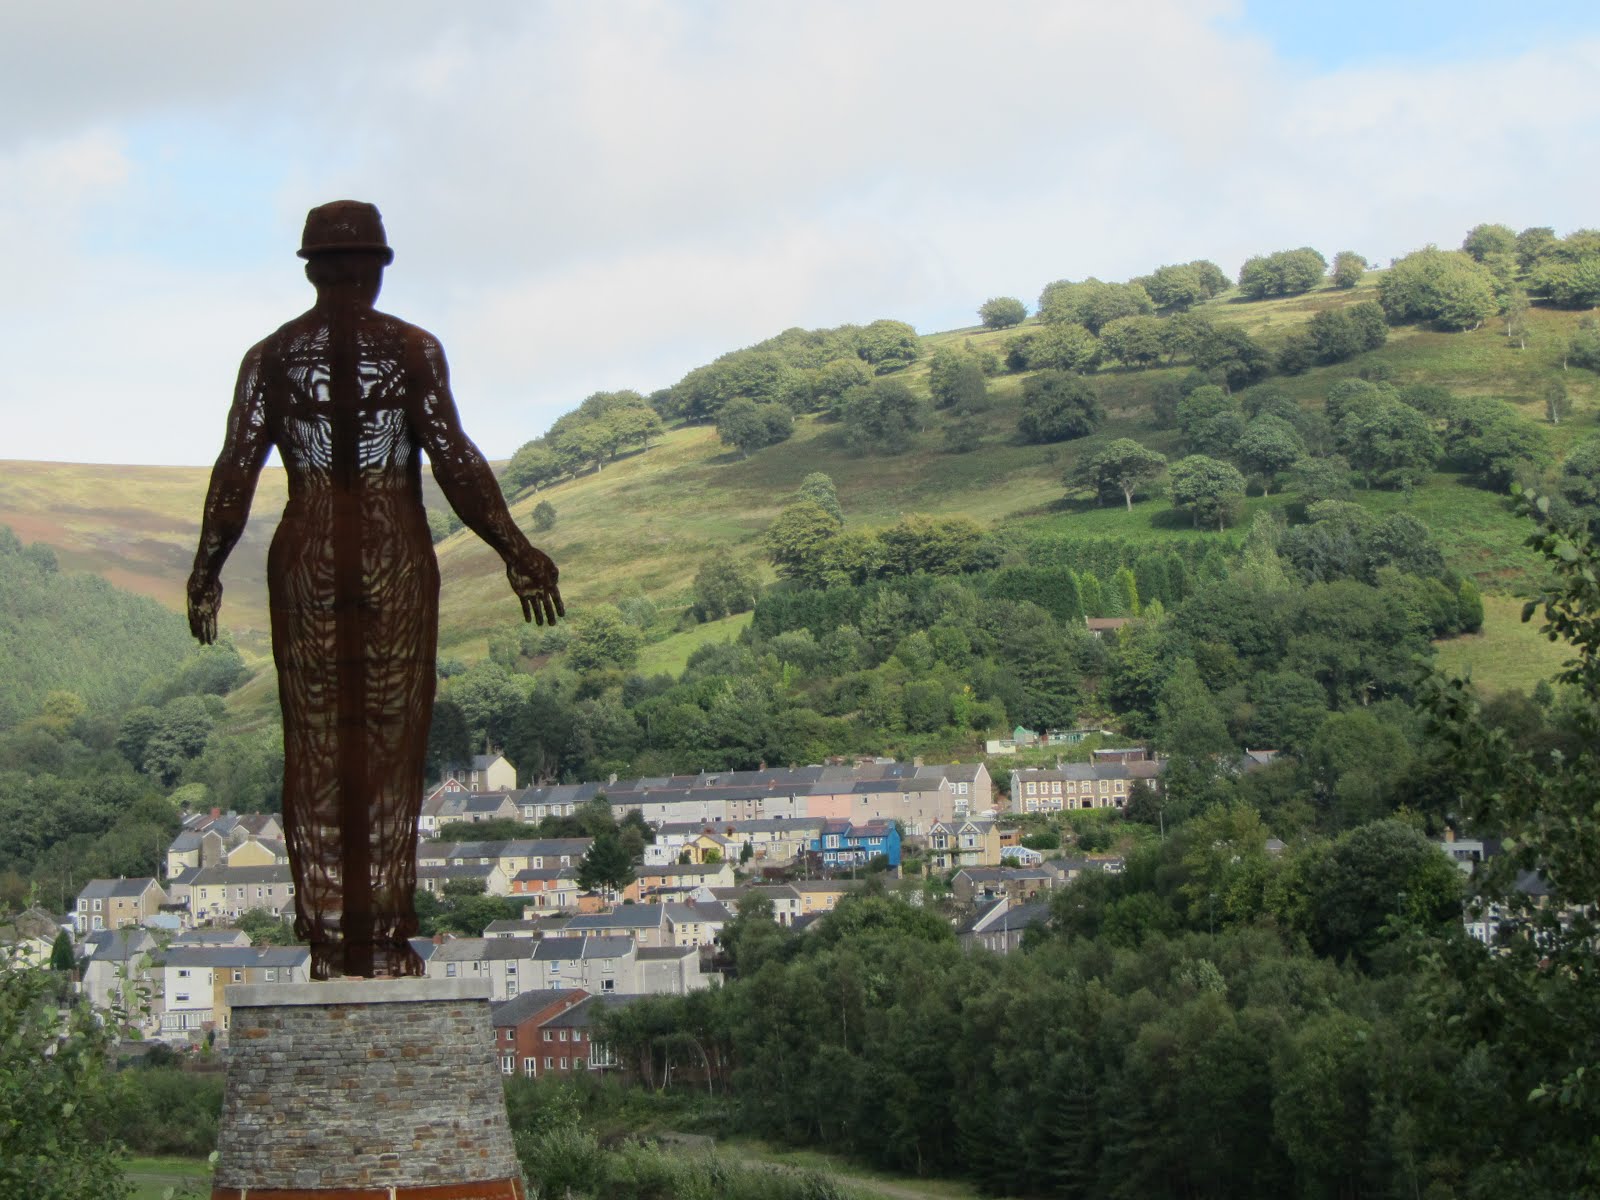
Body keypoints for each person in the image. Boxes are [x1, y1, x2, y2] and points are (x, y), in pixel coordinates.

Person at [187, 200, 562, 979]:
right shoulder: (410, 349)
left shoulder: (274, 356)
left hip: (313, 558)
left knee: (319, 747)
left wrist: (208, 566)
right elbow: (453, 456)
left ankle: (337, 943)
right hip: (389, 557)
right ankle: (375, 940)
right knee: (383, 747)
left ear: (314, 268)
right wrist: (514, 549)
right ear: (373, 267)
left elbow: (235, 473)